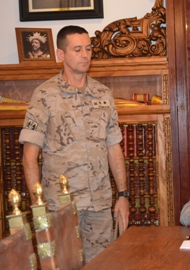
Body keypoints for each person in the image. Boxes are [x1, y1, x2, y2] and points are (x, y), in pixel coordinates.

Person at [19, 25, 130, 262]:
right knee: (62, 265)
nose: (85, 55)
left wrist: (123, 195)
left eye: (88, 49)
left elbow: (113, 147)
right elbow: (29, 156)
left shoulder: (103, 94)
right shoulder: (44, 95)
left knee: (103, 265)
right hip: (61, 207)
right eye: (77, 49)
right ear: (61, 55)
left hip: (99, 205)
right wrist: (38, 208)